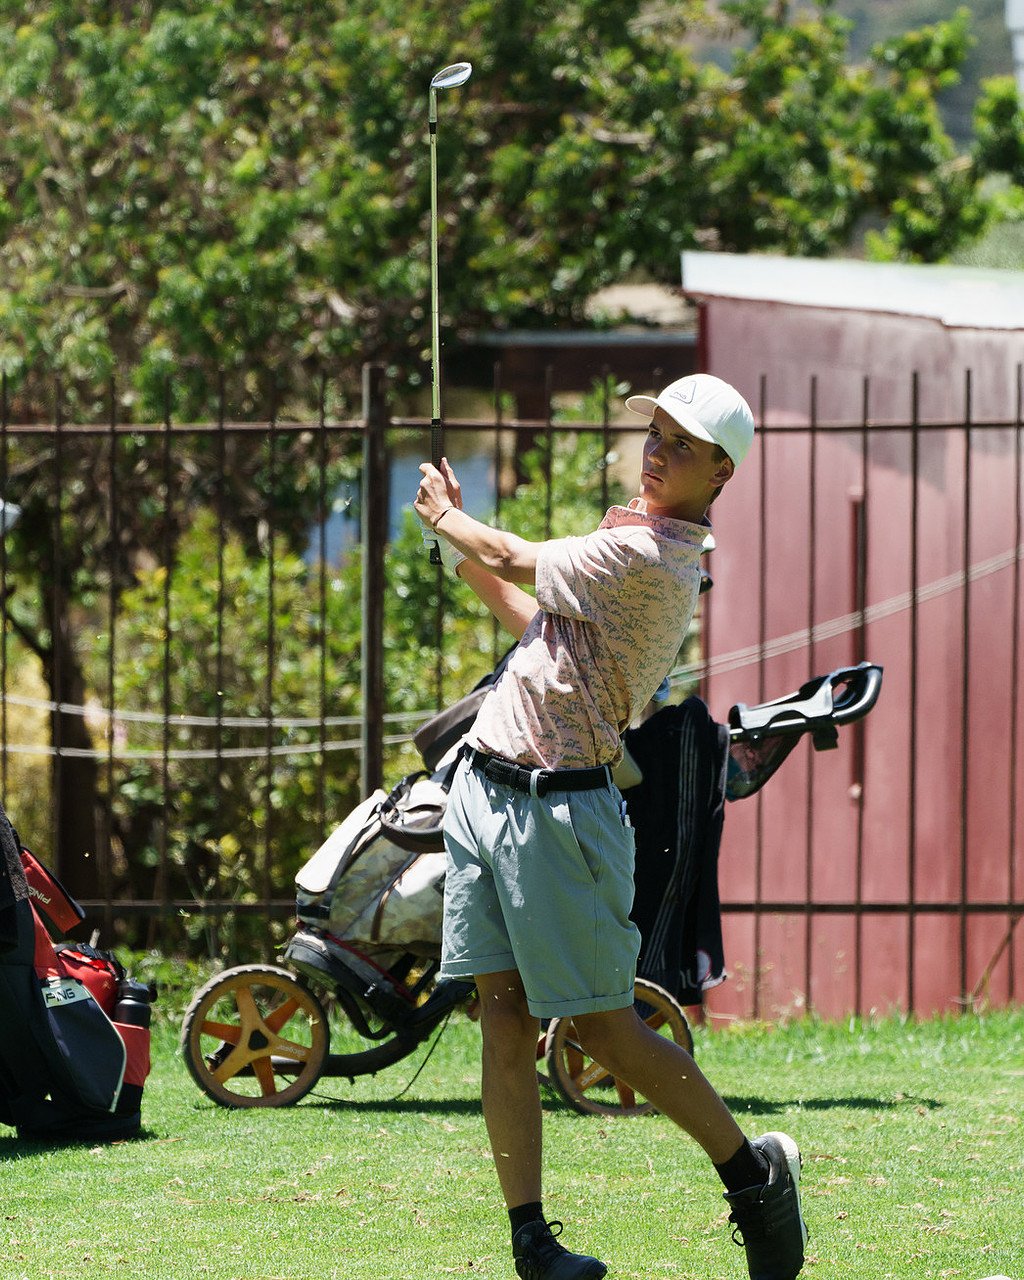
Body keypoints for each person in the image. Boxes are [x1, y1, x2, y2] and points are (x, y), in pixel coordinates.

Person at [413, 374, 807, 1280]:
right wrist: (457, 551)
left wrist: (448, 521)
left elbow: (512, 554)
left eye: (682, 444)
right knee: (503, 1016)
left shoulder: (650, 558)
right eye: (656, 433)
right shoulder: (623, 535)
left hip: (560, 812)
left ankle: (753, 1178)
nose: (657, 451)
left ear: (721, 473)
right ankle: (533, 1244)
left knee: (601, 1027)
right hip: (485, 786)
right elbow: (537, 624)